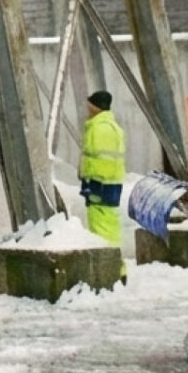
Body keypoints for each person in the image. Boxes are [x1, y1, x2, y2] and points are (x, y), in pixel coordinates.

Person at [79, 89, 127, 269]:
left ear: (96, 107)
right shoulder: (115, 128)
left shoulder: (97, 128)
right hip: (113, 183)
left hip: (98, 183)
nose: (87, 108)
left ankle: (109, 269)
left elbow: (95, 159)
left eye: (90, 104)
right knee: (111, 226)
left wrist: (88, 180)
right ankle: (118, 267)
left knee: (100, 229)